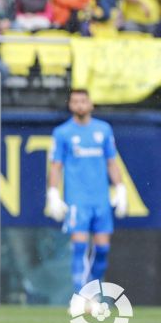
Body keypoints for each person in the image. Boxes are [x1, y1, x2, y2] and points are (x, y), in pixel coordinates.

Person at [45, 89, 127, 295]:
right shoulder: (62, 133)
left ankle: (94, 293)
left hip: (100, 199)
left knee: (102, 250)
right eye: (75, 101)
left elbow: (111, 162)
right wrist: (53, 193)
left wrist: (120, 188)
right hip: (77, 199)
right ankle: (80, 296)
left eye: (83, 101)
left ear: (91, 104)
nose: (80, 105)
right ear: (70, 105)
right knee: (80, 247)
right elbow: (56, 165)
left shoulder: (104, 130)